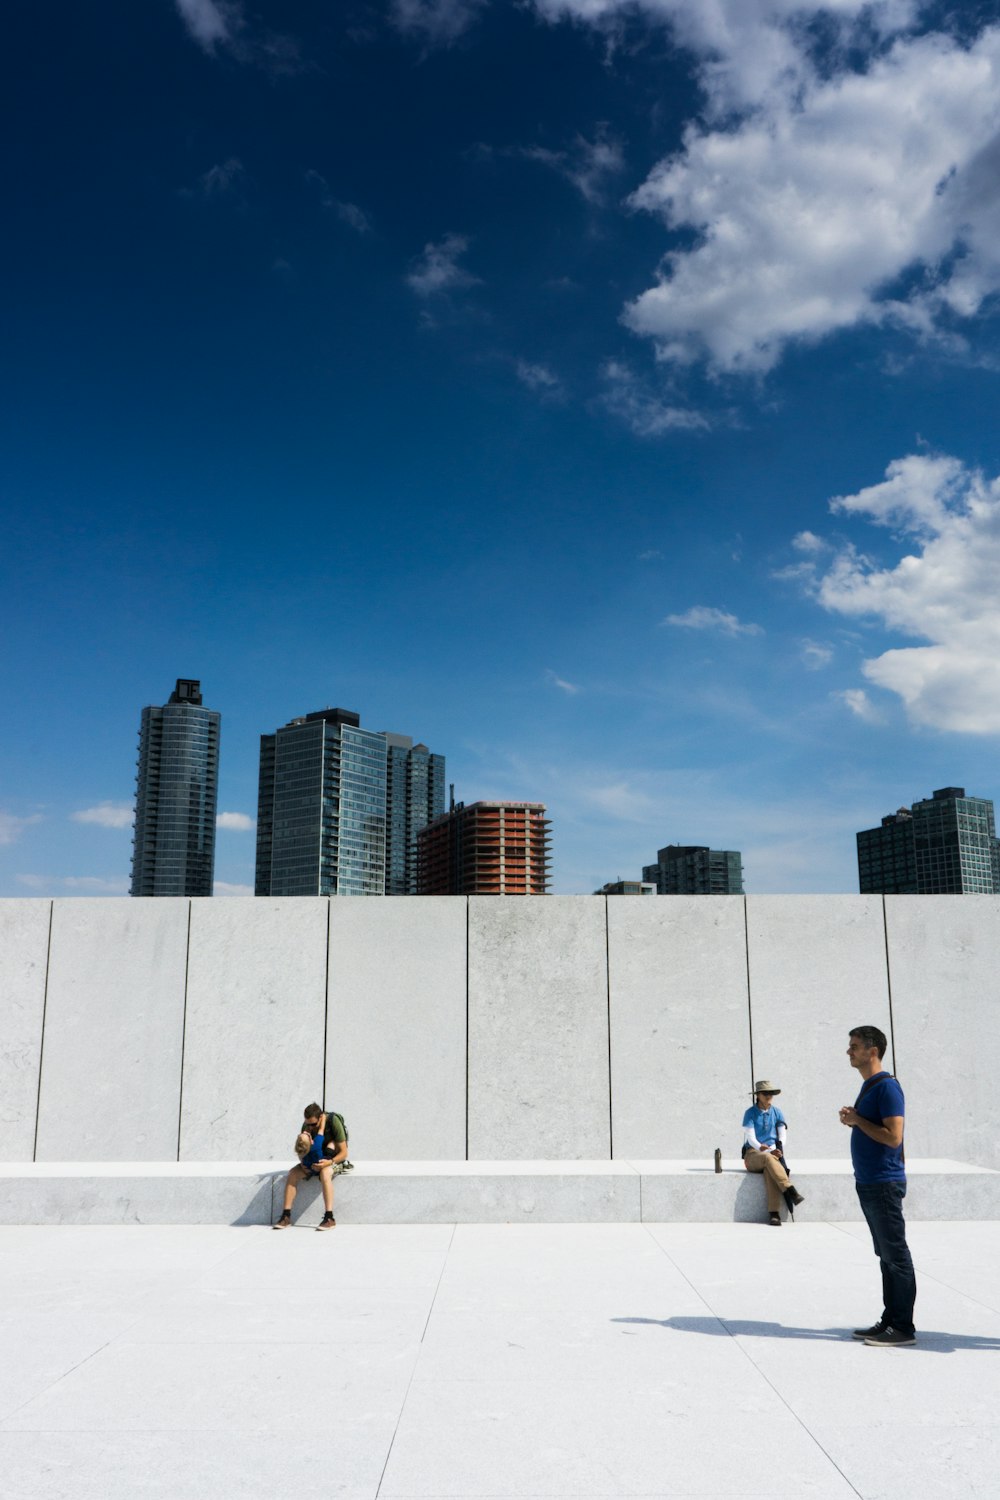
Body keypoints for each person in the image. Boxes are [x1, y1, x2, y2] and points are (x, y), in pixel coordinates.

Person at [839, 1025, 916, 1347]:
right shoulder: (871, 1086)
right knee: (885, 1255)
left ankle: (902, 1328)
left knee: (895, 1256)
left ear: (873, 1051)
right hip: (871, 1182)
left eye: (854, 1046)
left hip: (883, 1184)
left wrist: (858, 1121)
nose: (849, 1051)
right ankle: (889, 1321)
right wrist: (856, 1117)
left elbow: (893, 1137)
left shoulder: (887, 1088)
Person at [273, 1102, 348, 1231]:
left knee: (325, 1173)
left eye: (313, 1124)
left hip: (332, 1160)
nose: (310, 1127)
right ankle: (286, 1216)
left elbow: (344, 1153)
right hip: (313, 1161)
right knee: (292, 1174)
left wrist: (328, 1163)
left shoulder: (333, 1121)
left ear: (320, 1118)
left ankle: (329, 1218)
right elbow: (302, 1149)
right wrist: (303, 1163)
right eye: (308, 1124)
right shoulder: (307, 1125)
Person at [742, 1080, 805, 1226]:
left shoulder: (777, 1112)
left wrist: (778, 1149)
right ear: (758, 1095)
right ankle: (790, 1189)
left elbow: (782, 1134)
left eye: (771, 1093)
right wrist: (763, 1148)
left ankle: (774, 1214)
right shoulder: (750, 1113)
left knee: (770, 1170)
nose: (769, 1096)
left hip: (771, 1154)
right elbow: (751, 1138)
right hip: (753, 1154)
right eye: (765, 1093)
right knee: (767, 1157)